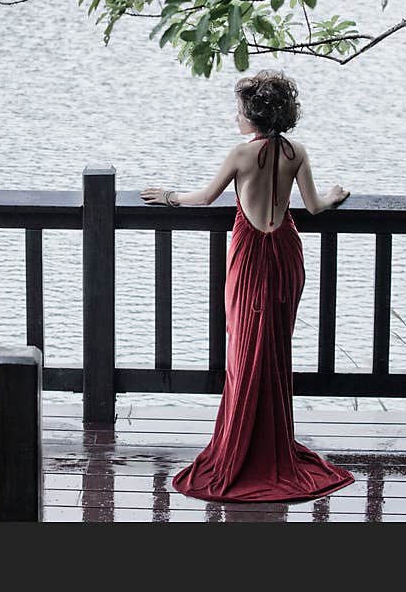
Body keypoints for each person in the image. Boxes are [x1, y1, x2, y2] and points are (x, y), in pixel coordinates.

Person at [140, 69, 354, 503]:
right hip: (286, 253)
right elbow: (313, 207)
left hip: (251, 255)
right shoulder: (297, 151)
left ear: (252, 115)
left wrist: (166, 196)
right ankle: (271, 443)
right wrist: (334, 195)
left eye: (239, 110)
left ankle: (243, 449)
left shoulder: (240, 154)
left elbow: (203, 198)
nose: (235, 117)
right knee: (274, 349)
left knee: (244, 350)